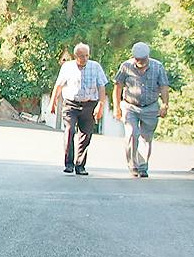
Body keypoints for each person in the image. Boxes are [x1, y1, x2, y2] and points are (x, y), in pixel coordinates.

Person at [49, 43, 108, 176]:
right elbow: (59, 85)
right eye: (82, 56)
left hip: (89, 104)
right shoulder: (67, 67)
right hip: (71, 104)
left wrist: (100, 105)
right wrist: (53, 102)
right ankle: (69, 164)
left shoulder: (95, 67)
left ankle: (80, 165)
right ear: (76, 56)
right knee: (69, 130)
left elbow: (101, 86)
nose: (85, 58)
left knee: (85, 135)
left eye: (87, 55)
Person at [113, 42, 170, 178]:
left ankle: (143, 167)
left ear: (148, 57)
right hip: (130, 106)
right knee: (132, 134)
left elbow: (164, 86)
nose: (140, 62)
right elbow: (118, 86)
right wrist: (117, 107)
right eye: (137, 59)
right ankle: (133, 165)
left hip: (150, 107)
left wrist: (165, 105)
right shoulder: (126, 66)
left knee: (146, 137)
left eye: (143, 59)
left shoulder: (157, 67)